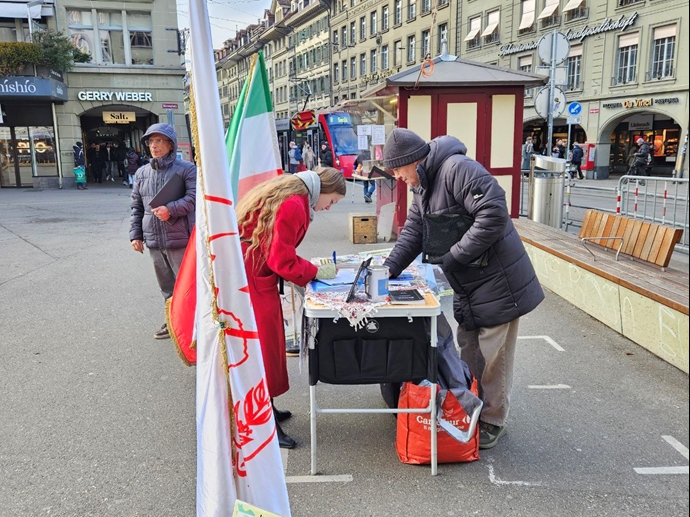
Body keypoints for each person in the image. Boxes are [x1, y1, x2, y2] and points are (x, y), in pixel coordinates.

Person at [381, 128, 544, 450]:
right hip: (471, 284)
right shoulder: (423, 184)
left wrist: (453, 256)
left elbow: (494, 213)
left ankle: (493, 422)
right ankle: (472, 411)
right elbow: (415, 229)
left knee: (494, 357)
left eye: (398, 170)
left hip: (499, 283)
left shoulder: (458, 169)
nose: (398, 177)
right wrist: (388, 269)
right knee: (470, 352)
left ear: (413, 161)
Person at [236, 168, 347, 448]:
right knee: (264, 350)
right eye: (331, 201)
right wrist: (314, 271)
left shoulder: (293, 192)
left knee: (264, 348)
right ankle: (263, 420)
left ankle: (265, 410)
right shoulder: (295, 204)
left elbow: (274, 247)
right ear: (321, 189)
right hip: (254, 277)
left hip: (249, 271)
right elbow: (281, 260)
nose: (327, 207)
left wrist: (308, 268)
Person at [129, 123, 196, 340]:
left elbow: (194, 199)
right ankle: (172, 322)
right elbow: (136, 207)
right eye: (151, 142)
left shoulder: (186, 169)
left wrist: (171, 210)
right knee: (166, 286)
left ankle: (193, 325)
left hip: (179, 238)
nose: (154, 146)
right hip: (154, 241)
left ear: (170, 144)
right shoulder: (141, 173)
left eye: (159, 141)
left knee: (186, 285)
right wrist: (136, 235)